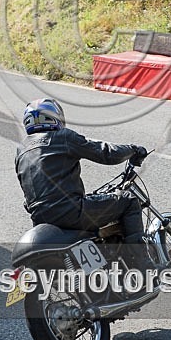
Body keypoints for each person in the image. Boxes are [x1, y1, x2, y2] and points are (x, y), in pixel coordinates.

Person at [15, 97, 156, 272]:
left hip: (40, 220)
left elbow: (27, 190)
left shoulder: (21, 151)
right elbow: (105, 153)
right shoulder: (63, 137)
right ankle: (141, 263)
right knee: (129, 201)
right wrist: (133, 150)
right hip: (72, 212)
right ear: (56, 117)